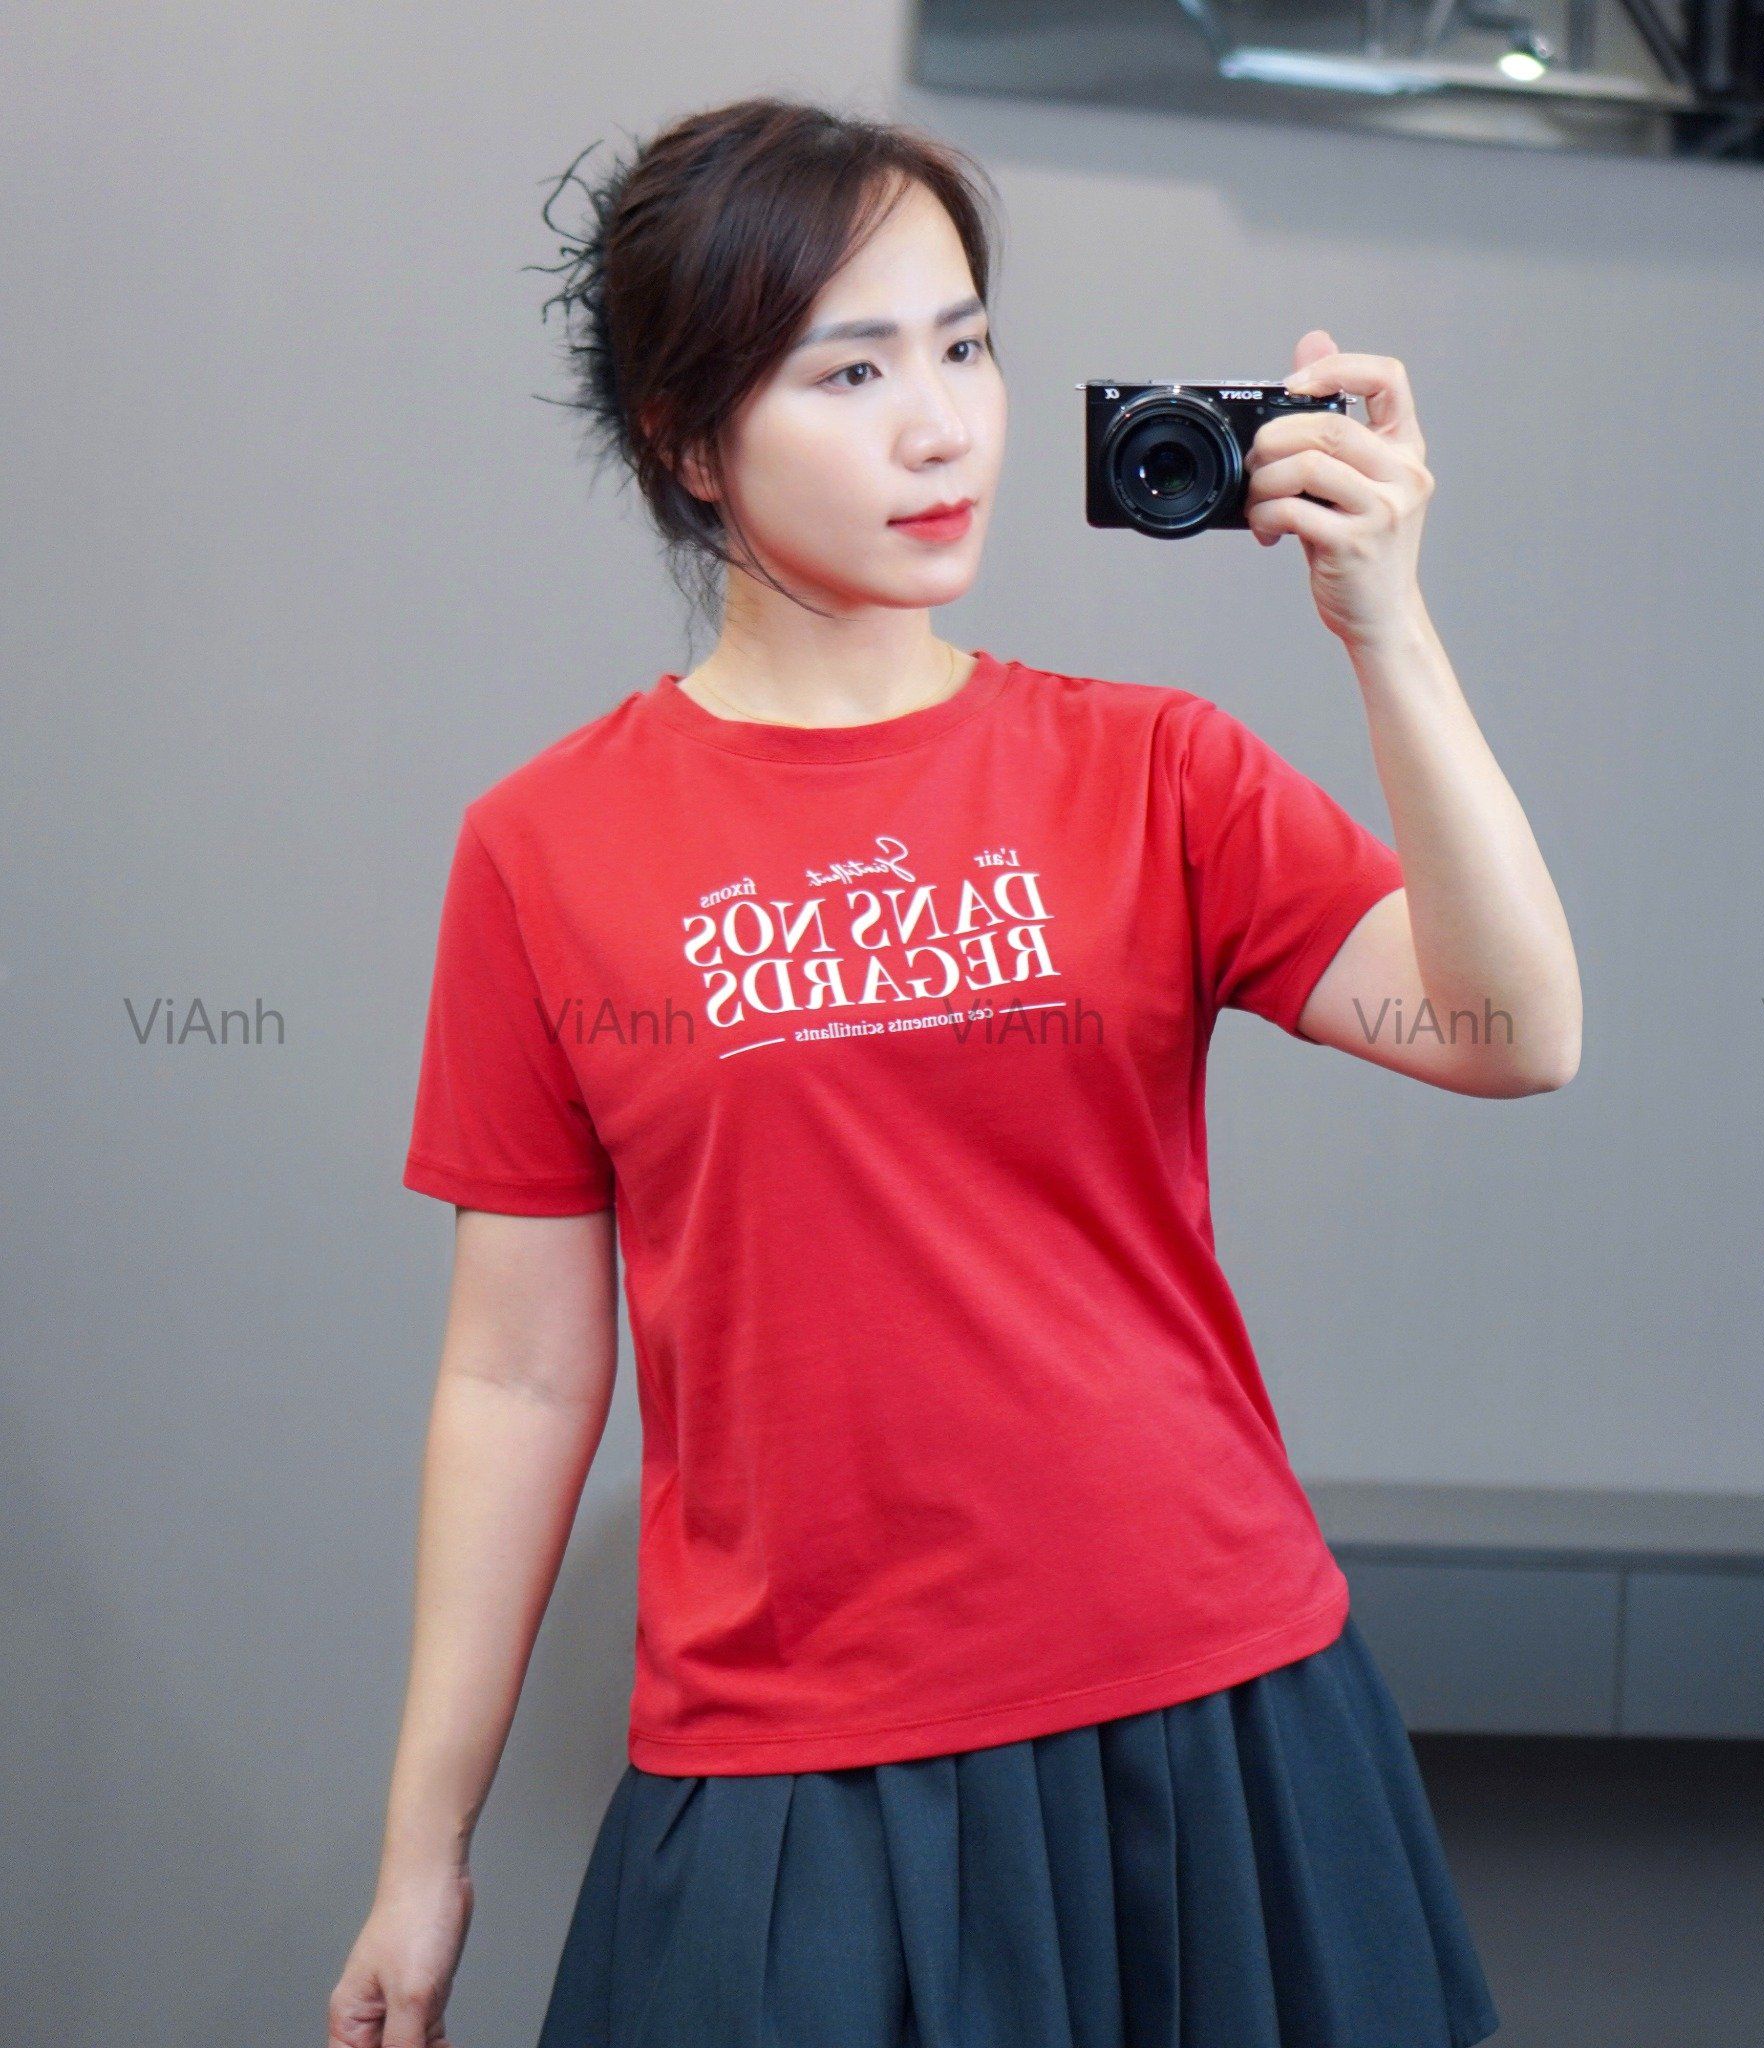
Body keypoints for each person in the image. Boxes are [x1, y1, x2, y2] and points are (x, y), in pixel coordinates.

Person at [328, 92, 1578, 2048]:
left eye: (965, 348)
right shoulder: (542, 848)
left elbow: (1516, 1037)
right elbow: (517, 1376)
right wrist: (425, 1852)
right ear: (688, 441)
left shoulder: (1152, 767)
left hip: (1210, 1708)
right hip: (798, 1759)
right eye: (852, 371)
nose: (942, 426)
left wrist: (1387, 629)